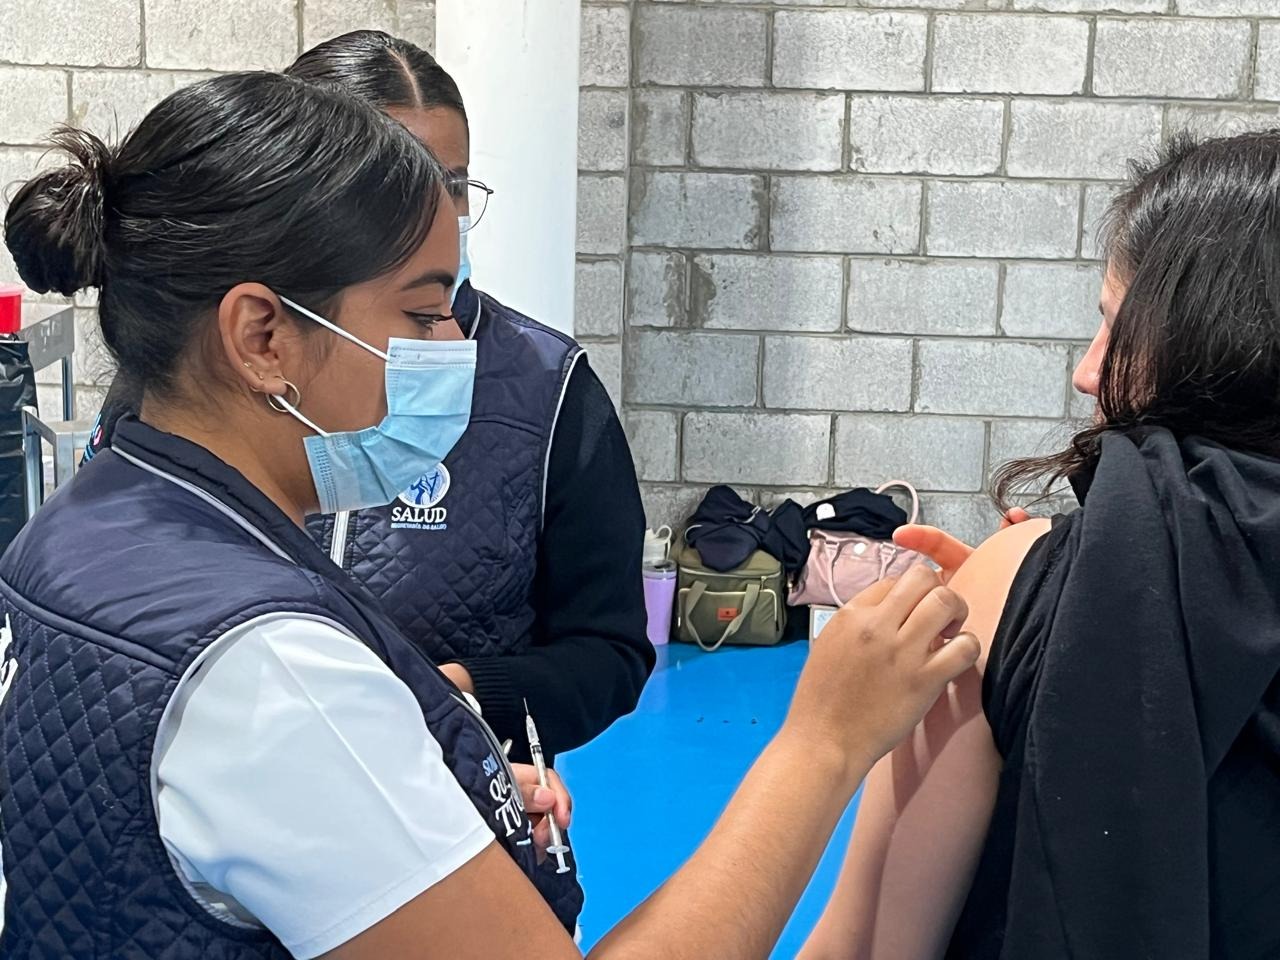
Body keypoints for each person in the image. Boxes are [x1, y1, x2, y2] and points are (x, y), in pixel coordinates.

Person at [0, 72, 980, 960]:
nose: (449, 351)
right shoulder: (269, 672)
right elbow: (276, 727)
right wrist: (822, 741)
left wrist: (434, 784)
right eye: (421, 316)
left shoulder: (85, 525)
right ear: (263, 336)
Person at [80, 31, 650, 765]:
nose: (432, 212)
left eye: (450, 183)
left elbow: (608, 649)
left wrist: (455, 703)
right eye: (394, 182)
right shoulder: (193, 380)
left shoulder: (548, 384)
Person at [798, 131, 1280, 960]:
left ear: (1219, 346)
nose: (1088, 372)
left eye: (1116, 328)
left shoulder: (1010, 584)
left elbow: (865, 947)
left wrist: (1021, 605)